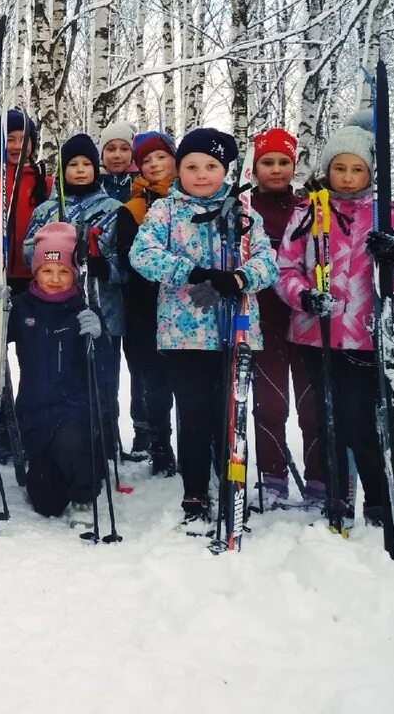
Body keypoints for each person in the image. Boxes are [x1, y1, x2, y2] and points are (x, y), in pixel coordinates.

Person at [274, 117, 394, 527]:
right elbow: (284, 269)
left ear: (370, 173)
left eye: (357, 169)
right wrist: (304, 296)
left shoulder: (386, 215)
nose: (347, 176)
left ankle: (378, 501)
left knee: (362, 422)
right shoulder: (308, 212)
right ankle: (336, 496)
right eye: (339, 167)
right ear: (327, 169)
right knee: (328, 419)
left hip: (365, 338)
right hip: (315, 334)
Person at [129, 128, 278, 524]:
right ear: (179, 169)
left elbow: (268, 263)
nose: (200, 174)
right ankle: (194, 492)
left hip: (235, 331)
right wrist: (193, 273)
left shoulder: (243, 212)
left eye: (211, 166)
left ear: (225, 170)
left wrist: (237, 279)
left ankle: (232, 486)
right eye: (191, 166)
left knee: (229, 416)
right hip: (184, 335)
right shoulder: (166, 211)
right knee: (193, 415)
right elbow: (142, 255)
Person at [22, 134, 133, 449]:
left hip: (102, 307)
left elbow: (125, 264)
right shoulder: (47, 210)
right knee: (60, 375)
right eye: (73, 164)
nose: (81, 170)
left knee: (102, 375)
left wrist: (103, 267)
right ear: (62, 170)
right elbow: (28, 252)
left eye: (87, 164)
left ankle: (105, 437)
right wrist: (54, 256)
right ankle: (58, 436)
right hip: (54, 308)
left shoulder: (114, 208)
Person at [2, 222, 114, 526]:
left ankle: (84, 494)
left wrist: (99, 335)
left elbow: (104, 367)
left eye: (63, 272)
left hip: (74, 408)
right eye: (47, 270)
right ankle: (52, 480)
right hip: (35, 411)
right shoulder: (23, 307)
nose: (54, 279)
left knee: (72, 443)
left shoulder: (83, 307)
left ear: (74, 275)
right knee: (47, 504)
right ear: (35, 271)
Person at [248, 128, 321, 508]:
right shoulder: (245, 209)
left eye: (283, 163)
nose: (276, 170)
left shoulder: (309, 208)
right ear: (255, 167)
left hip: (306, 317)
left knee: (312, 404)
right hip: (264, 319)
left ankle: (320, 479)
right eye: (268, 162)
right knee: (271, 402)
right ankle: (272, 477)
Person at [115, 130, 179, 474]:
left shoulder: (196, 198)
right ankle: (160, 445)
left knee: (187, 381)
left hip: (189, 305)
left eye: (161, 157)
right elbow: (128, 259)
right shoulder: (133, 208)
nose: (155, 165)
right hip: (144, 304)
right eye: (147, 160)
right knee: (153, 380)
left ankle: (199, 446)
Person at [0, 110, 52, 295]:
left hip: (34, 274)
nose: (17, 146)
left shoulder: (44, 183)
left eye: (24, 139)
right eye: (10, 139)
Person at [99, 122, 137, 203]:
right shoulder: (93, 183)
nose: (117, 155)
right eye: (111, 149)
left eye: (124, 149)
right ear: (102, 154)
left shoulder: (142, 184)